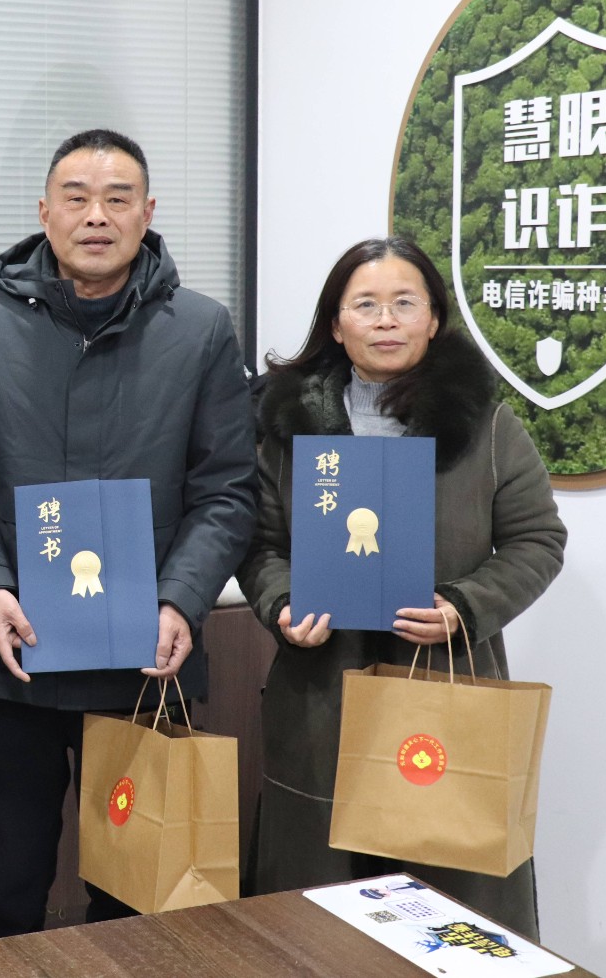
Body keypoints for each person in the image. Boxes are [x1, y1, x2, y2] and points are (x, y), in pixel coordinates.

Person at [0, 129, 257, 939]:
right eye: (76, 198)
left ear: (148, 212)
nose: (96, 216)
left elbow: (226, 490)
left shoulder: (202, 329)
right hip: (16, 659)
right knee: (9, 882)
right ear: (45, 213)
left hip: (145, 658)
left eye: (117, 199)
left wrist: (180, 600)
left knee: (140, 888)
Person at [236, 235, 566, 937]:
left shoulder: (487, 424)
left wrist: (465, 606)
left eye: (404, 303)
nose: (385, 320)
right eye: (365, 304)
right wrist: (282, 603)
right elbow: (259, 545)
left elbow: (538, 539)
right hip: (323, 689)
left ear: (433, 319)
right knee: (320, 912)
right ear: (336, 324)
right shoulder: (289, 428)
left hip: (446, 683)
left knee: (450, 909)